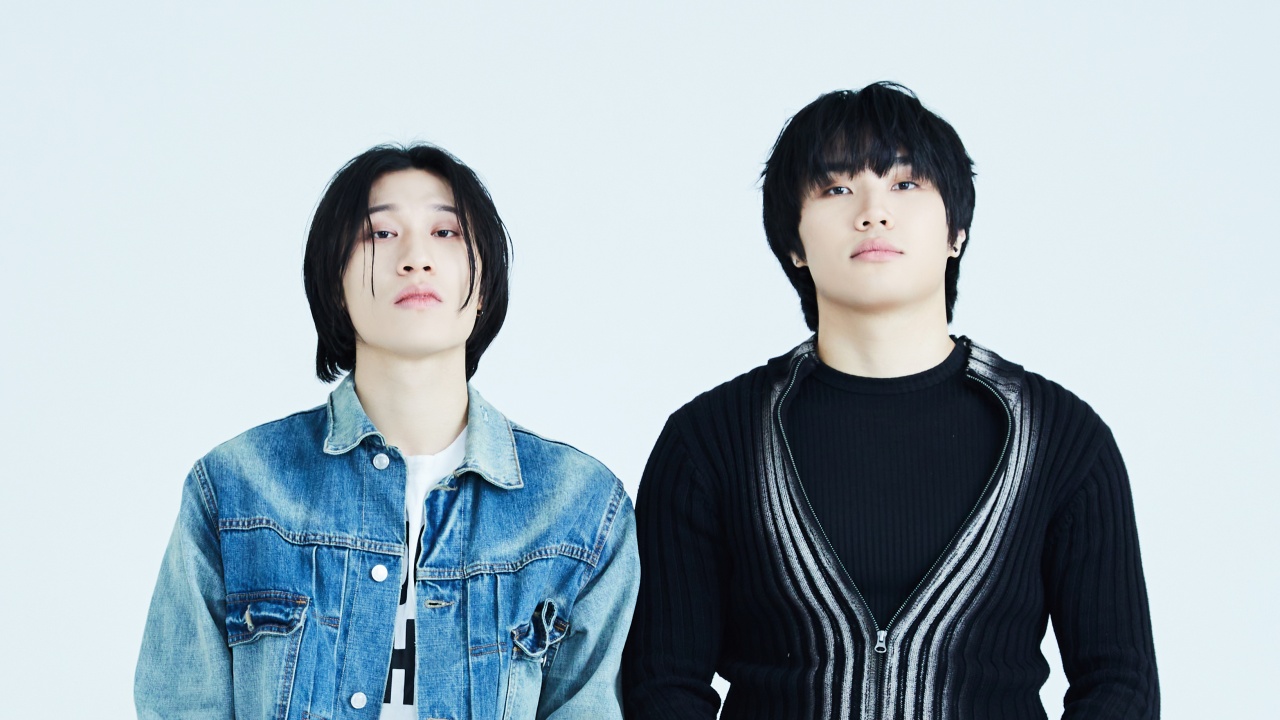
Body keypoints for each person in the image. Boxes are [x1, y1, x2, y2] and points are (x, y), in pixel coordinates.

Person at [622, 82, 1158, 719]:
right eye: (836, 188)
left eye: (905, 183)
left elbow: (1120, 685)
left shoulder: (1058, 436)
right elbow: (662, 684)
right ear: (794, 244)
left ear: (957, 230)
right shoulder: (710, 440)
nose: (873, 212)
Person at [135, 144, 638, 720]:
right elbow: (180, 705)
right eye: (380, 234)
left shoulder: (578, 506)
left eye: (446, 232)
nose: (415, 258)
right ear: (334, 282)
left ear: (484, 282)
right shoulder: (237, 487)